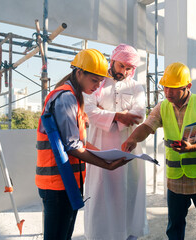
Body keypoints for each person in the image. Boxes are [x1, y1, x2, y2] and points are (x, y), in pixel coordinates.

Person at [122, 62, 196, 240]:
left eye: (173, 88)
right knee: (174, 229)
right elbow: (147, 126)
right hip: (176, 181)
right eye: (165, 88)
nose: (168, 93)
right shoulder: (163, 107)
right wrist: (132, 138)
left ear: (188, 86)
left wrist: (192, 147)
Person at [35, 49, 129, 240]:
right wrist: (106, 164)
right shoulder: (66, 97)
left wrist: (106, 153)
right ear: (79, 73)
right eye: (94, 80)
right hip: (57, 183)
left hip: (67, 180)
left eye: (100, 81)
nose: (97, 85)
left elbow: (80, 142)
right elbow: (72, 146)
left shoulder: (75, 97)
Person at [83, 43, 148, 240]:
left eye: (129, 68)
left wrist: (108, 113)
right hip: (100, 145)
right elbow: (89, 111)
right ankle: (99, 235)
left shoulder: (136, 86)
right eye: (121, 66)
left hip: (128, 145)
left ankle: (128, 234)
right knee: (100, 191)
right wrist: (119, 116)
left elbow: (140, 114)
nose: (125, 71)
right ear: (112, 61)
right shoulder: (97, 82)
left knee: (129, 190)